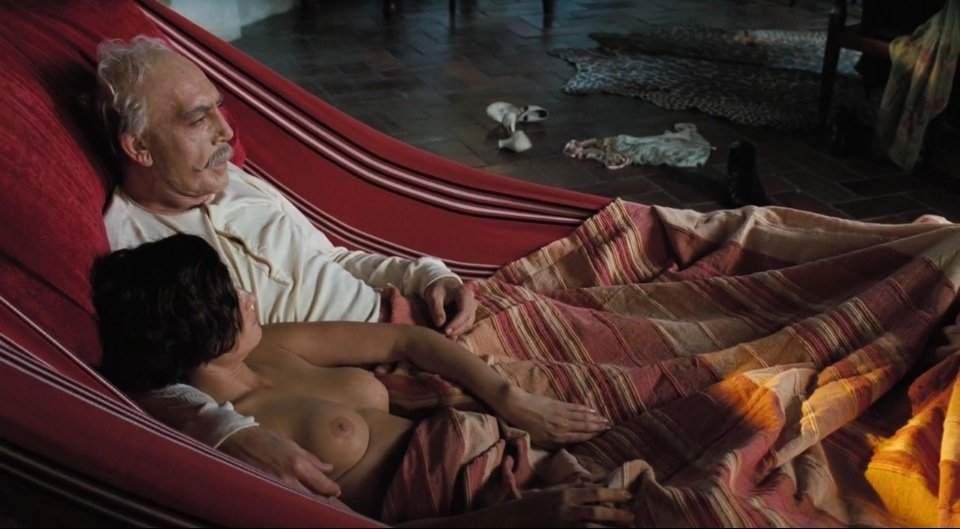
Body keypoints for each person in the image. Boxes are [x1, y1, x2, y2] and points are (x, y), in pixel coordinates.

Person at [95, 35, 479, 496]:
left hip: (418, 319)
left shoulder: (235, 182)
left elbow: (334, 258)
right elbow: (145, 381)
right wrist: (224, 430)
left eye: (218, 108)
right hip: (349, 385)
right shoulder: (136, 250)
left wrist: (430, 275)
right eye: (198, 119)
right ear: (139, 147)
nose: (226, 132)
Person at [91, 234, 634, 527]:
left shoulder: (270, 345)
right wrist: (517, 518)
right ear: (199, 335)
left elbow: (407, 342)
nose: (250, 298)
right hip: (483, 511)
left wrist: (510, 399)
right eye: (232, 300)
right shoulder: (254, 446)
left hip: (502, 446)